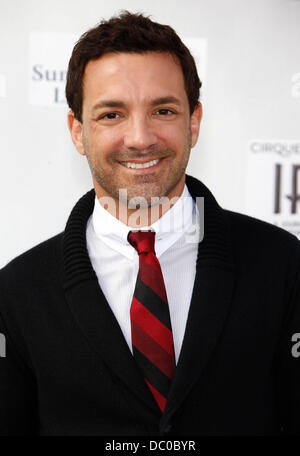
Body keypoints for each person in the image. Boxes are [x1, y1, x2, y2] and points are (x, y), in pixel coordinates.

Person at [0, 11, 299, 436]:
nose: (140, 137)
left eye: (162, 110)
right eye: (111, 115)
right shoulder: (16, 294)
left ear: (193, 122)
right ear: (77, 131)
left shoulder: (283, 267)